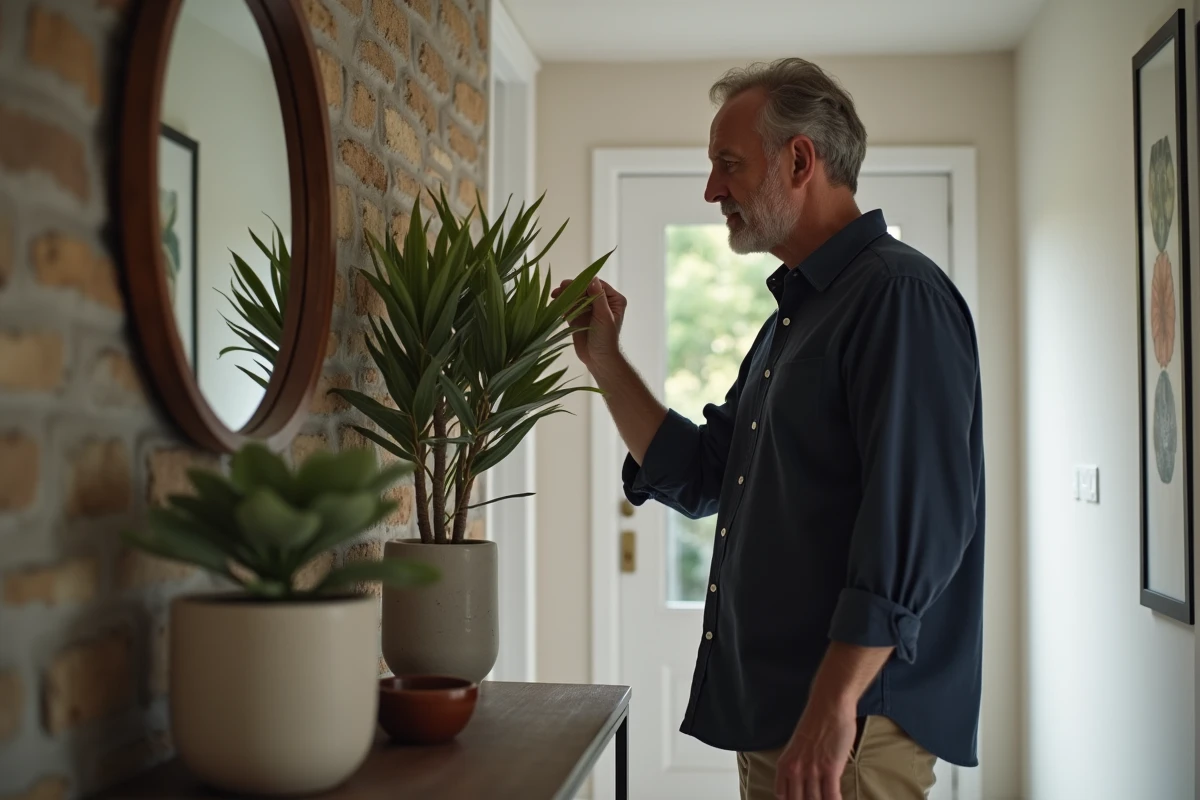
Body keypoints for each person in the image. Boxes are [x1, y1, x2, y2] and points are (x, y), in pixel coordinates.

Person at [554, 58, 985, 800]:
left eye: (728, 164)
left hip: (849, 728)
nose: (712, 189)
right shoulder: (793, 321)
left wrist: (834, 702)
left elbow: (916, 525)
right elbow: (705, 474)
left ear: (799, 159)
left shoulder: (897, 296)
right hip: (785, 720)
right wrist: (606, 363)